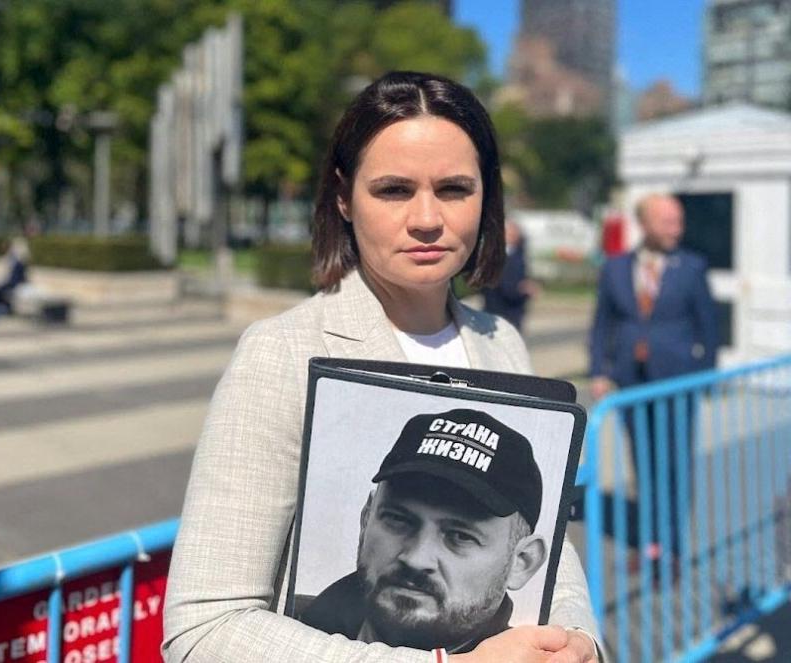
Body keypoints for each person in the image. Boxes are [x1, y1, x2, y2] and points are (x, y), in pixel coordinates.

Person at [163, 71, 600, 663]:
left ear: (486, 198)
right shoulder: (281, 353)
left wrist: (580, 644)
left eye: (453, 189)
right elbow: (203, 629)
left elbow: (545, 545)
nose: (426, 218)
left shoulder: (501, 343)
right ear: (343, 197)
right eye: (394, 190)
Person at [299, 409, 549, 653]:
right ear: (366, 521)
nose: (416, 559)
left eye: (460, 536)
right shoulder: (282, 629)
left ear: (521, 563)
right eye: (397, 520)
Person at [588, 193, 718, 563]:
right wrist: (599, 369)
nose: (677, 230)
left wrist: (703, 378)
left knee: (675, 464)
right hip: (631, 383)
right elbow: (602, 324)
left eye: (679, 222)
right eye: (668, 222)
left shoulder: (691, 267)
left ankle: (673, 546)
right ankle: (650, 541)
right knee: (643, 463)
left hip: (677, 384)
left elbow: (707, 327)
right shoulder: (615, 268)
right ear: (644, 224)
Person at [482, 220, 538, 331]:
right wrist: (525, 290)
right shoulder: (496, 256)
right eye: (510, 233)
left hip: (511, 311)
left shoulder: (518, 254)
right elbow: (505, 286)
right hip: (498, 309)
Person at [0, 236, 29, 317]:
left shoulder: (17, 261)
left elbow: (14, 277)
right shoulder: (10, 258)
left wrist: (0, 284)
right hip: (10, 282)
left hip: (13, 283)